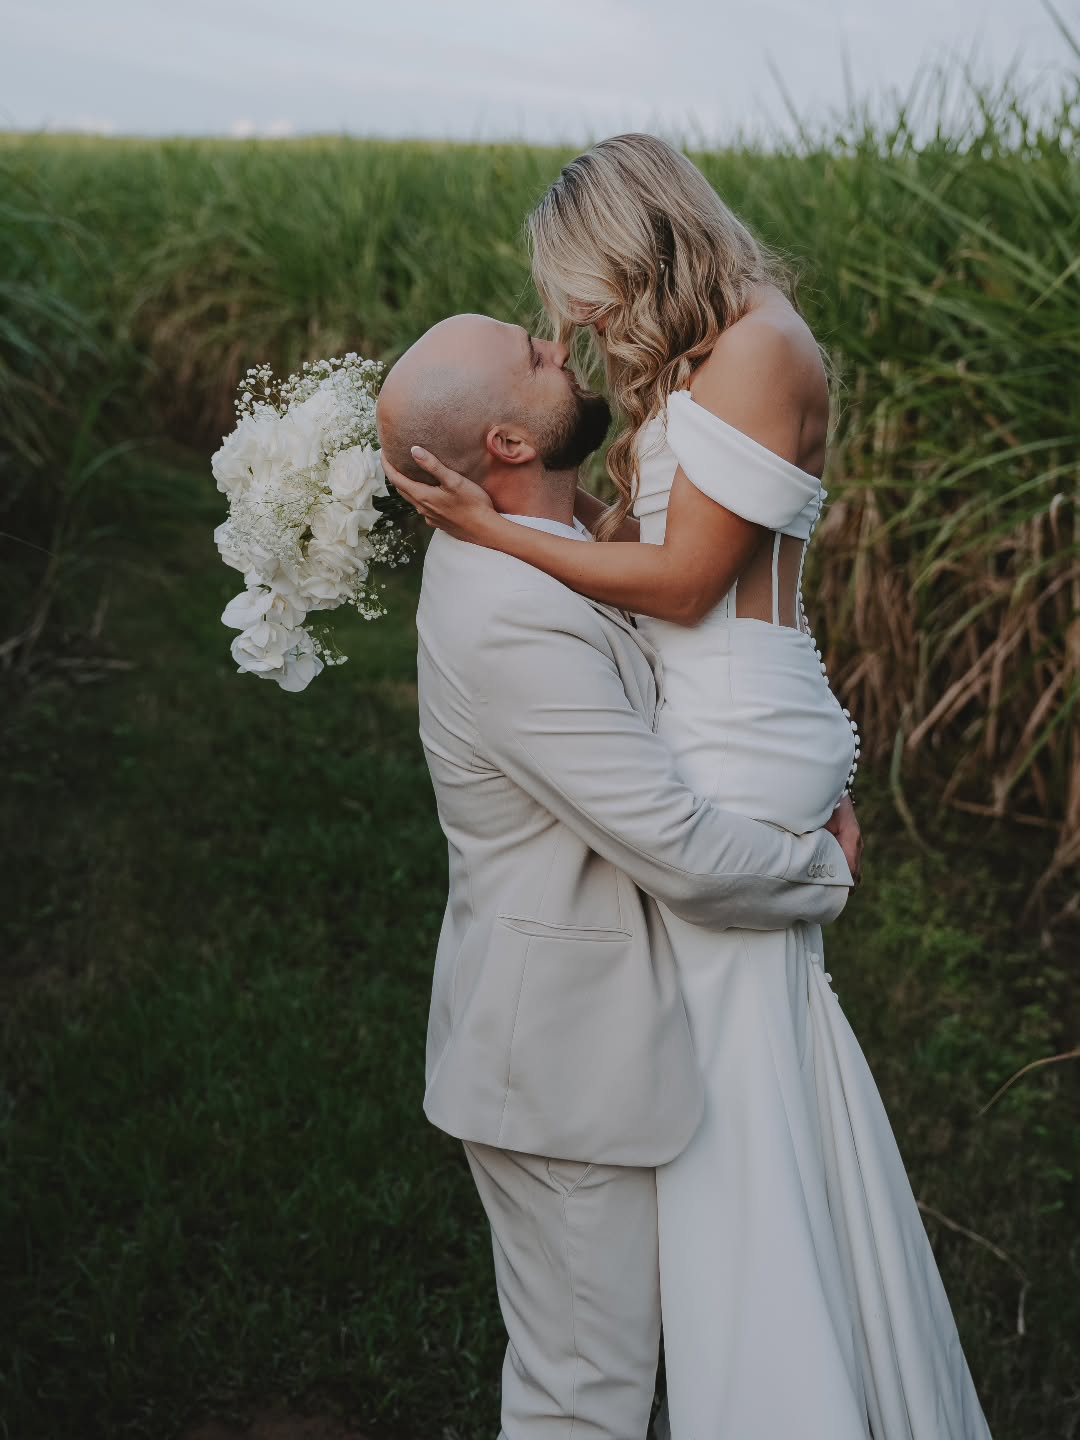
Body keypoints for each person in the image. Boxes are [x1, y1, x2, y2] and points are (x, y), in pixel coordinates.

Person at [384, 135, 992, 1440]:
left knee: (744, 1102)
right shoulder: (700, 345)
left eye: (577, 293)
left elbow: (684, 583)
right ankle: (768, 1368)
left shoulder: (761, 346)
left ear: (634, 240)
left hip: (732, 714)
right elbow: (650, 544)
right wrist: (528, 533)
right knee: (743, 1095)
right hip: (712, 712)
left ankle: (783, 1383)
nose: (575, 323)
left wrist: (494, 531)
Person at [376, 311, 859, 1440]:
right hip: (559, 1066)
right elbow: (679, 850)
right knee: (581, 1396)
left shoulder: (548, 556)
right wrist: (821, 866)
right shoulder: (509, 618)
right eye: (534, 357)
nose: (559, 343)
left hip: (586, 1043)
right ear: (507, 444)